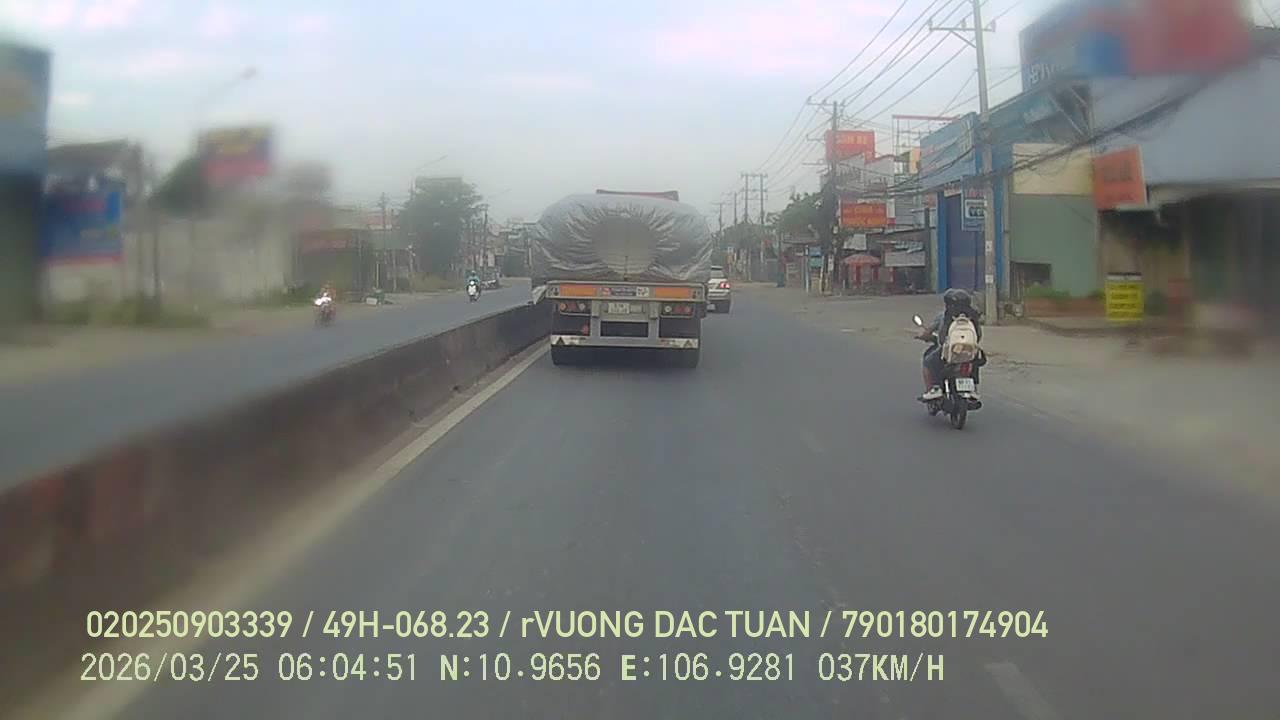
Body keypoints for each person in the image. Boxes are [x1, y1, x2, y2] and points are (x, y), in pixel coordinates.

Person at [918, 288, 984, 401]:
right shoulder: (973, 316)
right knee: (974, 360)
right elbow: (978, 335)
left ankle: (935, 388)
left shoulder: (944, 316)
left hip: (948, 351)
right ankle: (973, 387)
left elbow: (933, 333)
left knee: (928, 362)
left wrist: (923, 335)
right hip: (968, 350)